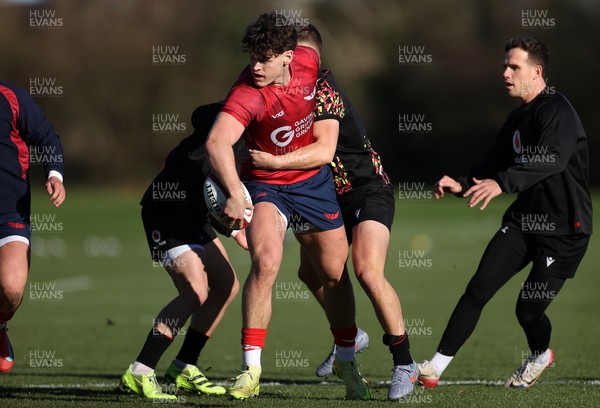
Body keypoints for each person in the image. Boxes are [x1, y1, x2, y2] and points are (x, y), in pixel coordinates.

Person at [249, 24, 418, 401]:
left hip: (366, 190)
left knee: (366, 271)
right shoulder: (280, 89)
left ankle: (404, 361)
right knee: (310, 273)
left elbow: (323, 152)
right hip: (324, 195)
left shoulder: (321, 91)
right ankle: (353, 336)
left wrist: (270, 163)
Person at [205, 12, 369, 401]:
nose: (256, 66)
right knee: (266, 262)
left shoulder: (310, 64)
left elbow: (325, 144)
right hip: (265, 186)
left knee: (334, 273)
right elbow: (216, 142)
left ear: (289, 57)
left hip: (312, 183)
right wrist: (233, 191)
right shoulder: (247, 93)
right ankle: (251, 369)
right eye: (252, 58)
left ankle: (347, 356)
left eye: (265, 58)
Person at [418, 36, 592, 389]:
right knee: (478, 287)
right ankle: (434, 367)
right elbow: (493, 164)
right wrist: (463, 183)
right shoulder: (517, 118)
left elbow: (552, 160)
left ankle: (540, 353)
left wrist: (503, 185)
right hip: (523, 223)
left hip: (564, 231)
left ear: (537, 72)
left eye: (514, 67)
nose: (506, 73)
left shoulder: (558, 111)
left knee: (527, 310)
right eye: (504, 66)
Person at [119, 103, 245, 400]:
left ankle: (184, 365)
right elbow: (200, 116)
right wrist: (229, 113)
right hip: (167, 211)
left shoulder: (255, 136)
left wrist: (238, 227)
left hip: (194, 214)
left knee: (227, 285)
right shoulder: (226, 123)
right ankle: (140, 370)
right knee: (195, 291)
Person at [0, 81, 66, 373]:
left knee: (12, 287)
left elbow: (46, 136)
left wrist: (55, 174)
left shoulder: (11, 97)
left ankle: (0, 324)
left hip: (9, 210)